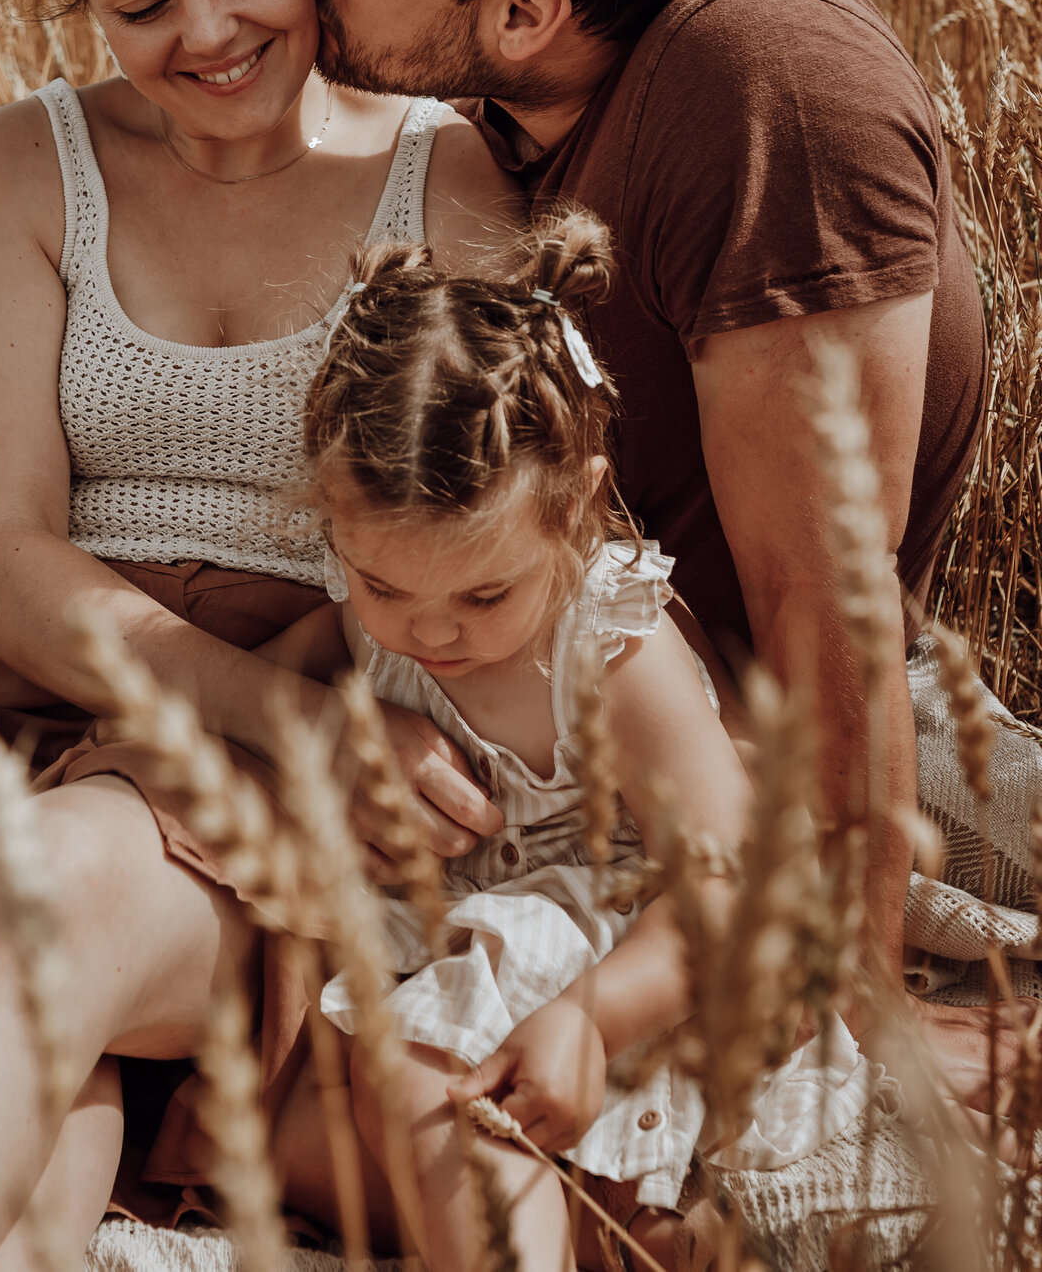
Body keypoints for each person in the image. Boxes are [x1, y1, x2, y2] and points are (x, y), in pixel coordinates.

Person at [0, 0, 515, 1272]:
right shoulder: (19, 169)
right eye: (140, 3)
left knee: (41, 896)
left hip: (326, 720)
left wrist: (324, 726)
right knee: (36, 1127)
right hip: (48, 697)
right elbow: (3, 558)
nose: (207, 34)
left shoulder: (448, 178)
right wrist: (285, 719)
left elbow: (490, 526)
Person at [299, 0, 994, 1083]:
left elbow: (826, 596)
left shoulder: (764, 88)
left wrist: (848, 1011)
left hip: (695, 777)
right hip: (535, 723)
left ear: (525, 11)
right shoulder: (548, 79)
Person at [265, 212, 886, 1272]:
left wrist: (593, 1021)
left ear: (577, 508)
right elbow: (276, 689)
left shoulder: (609, 645)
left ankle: (575, 1220)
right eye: (383, 587)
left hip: (632, 974)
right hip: (463, 945)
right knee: (285, 1132)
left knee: (422, 1078)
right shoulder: (372, 610)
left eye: (484, 594)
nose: (431, 631)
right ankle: (613, 1223)